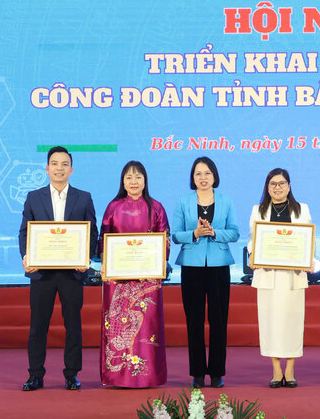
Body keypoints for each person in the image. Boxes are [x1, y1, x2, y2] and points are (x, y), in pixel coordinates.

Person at [19, 146, 98, 391]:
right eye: (55, 163)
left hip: (72, 273)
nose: (59, 168)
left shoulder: (83, 197)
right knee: (38, 326)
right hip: (41, 273)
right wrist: (26, 256)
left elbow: (92, 231)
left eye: (65, 164)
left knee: (73, 325)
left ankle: (72, 374)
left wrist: (86, 257)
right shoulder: (34, 197)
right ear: (47, 168)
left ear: (71, 170)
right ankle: (35, 375)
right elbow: (25, 231)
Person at [98, 161, 169, 388]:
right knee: (119, 324)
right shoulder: (113, 207)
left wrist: (155, 263)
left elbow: (164, 241)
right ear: (123, 182)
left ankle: (148, 376)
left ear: (145, 180)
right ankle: (117, 376)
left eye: (138, 177)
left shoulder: (156, 208)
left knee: (145, 326)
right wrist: (106, 262)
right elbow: (104, 240)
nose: (133, 182)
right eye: (129, 178)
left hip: (146, 280)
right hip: (118, 280)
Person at [172, 156, 239, 389]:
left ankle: (218, 373)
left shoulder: (226, 201)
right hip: (192, 266)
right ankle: (198, 373)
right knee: (194, 321)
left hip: (219, 266)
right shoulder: (183, 201)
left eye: (207, 173)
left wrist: (214, 232)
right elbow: (175, 235)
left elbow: (235, 233)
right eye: (198, 173)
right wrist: (196, 233)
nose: (203, 177)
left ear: (215, 176)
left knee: (219, 321)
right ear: (193, 177)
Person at [247, 168, 311, 388]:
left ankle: (290, 371)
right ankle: (276, 371)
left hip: (293, 276)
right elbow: (251, 241)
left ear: (289, 186)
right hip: (268, 275)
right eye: (273, 184)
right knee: (270, 323)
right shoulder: (258, 210)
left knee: (292, 323)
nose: (277, 187)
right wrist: (252, 256)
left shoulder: (302, 209)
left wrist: (308, 259)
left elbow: (307, 241)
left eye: (282, 183)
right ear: (267, 187)